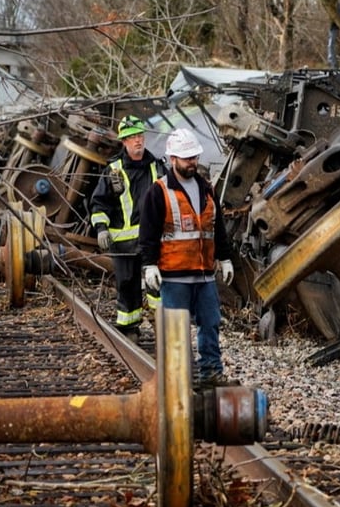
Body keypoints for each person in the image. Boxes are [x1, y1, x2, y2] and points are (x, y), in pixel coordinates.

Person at [138, 127, 235, 386]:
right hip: (175, 274)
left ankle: (211, 372)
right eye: (186, 158)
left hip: (204, 274)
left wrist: (224, 258)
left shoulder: (206, 189)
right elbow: (147, 232)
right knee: (176, 331)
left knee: (211, 323)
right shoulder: (159, 191)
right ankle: (176, 379)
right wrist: (149, 265)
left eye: (194, 157)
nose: (192, 162)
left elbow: (218, 227)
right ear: (173, 159)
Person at [89, 115, 164, 340]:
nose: (137, 141)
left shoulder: (156, 166)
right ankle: (129, 329)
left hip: (152, 240)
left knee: (158, 284)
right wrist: (101, 228)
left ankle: (164, 326)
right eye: (132, 138)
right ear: (124, 142)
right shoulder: (113, 170)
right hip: (123, 243)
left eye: (140, 136)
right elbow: (99, 203)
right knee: (127, 285)